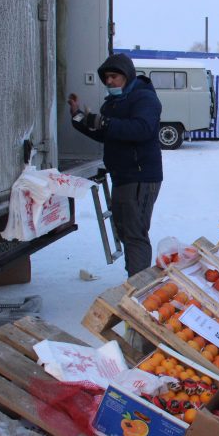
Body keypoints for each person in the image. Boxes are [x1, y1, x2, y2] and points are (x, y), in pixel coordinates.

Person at [67, 53, 162, 278]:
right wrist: (79, 119)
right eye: (106, 78)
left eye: (114, 76)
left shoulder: (144, 99)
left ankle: (138, 290)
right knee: (126, 232)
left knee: (135, 233)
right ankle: (135, 284)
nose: (109, 81)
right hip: (122, 177)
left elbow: (141, 129)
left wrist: (105, 122)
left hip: (140, 177)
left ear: (127, 76)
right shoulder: (113, 104)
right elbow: (105, 134)